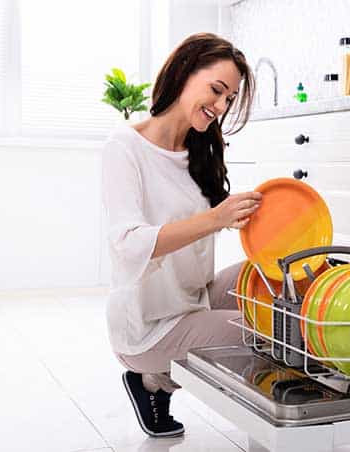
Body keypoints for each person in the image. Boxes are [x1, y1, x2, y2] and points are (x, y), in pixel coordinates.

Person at [101, 33, 261, 438]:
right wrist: (215, 218)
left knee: (272, 273)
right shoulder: (125, 148)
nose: (222, 106)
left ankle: (157, 379)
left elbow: (210, 227)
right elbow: (128, 243)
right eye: (217, 90)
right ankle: (152, 375)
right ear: (184, 72)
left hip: (192, 298)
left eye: (229, 98)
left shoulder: (200, 149)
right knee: (264, 332)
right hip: (147, 325)